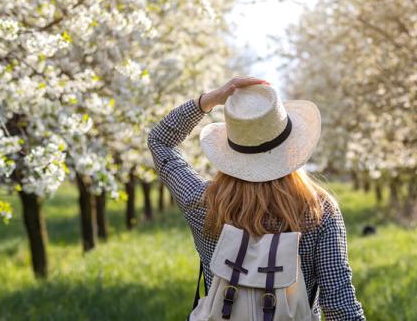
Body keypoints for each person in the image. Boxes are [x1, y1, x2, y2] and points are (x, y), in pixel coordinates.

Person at [147, 76, 365, 320]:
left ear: (230, 151)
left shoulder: (203, 204)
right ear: (291, 148)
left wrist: (208, 101)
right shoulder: (318, 211)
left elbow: (159, 141)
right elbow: (340, 307)